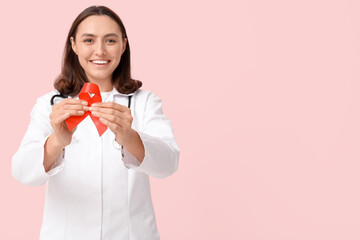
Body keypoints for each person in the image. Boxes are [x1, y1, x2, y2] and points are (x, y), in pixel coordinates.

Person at [12, 5, 179, 240]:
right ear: (74, 45)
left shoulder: (144, 102)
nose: (99, 51)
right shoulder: (48, 105)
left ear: (123, 45)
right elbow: (22, 171)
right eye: (89, 40)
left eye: (110, 41)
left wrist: (129, 137)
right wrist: (57, 141)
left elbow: (169, 163)